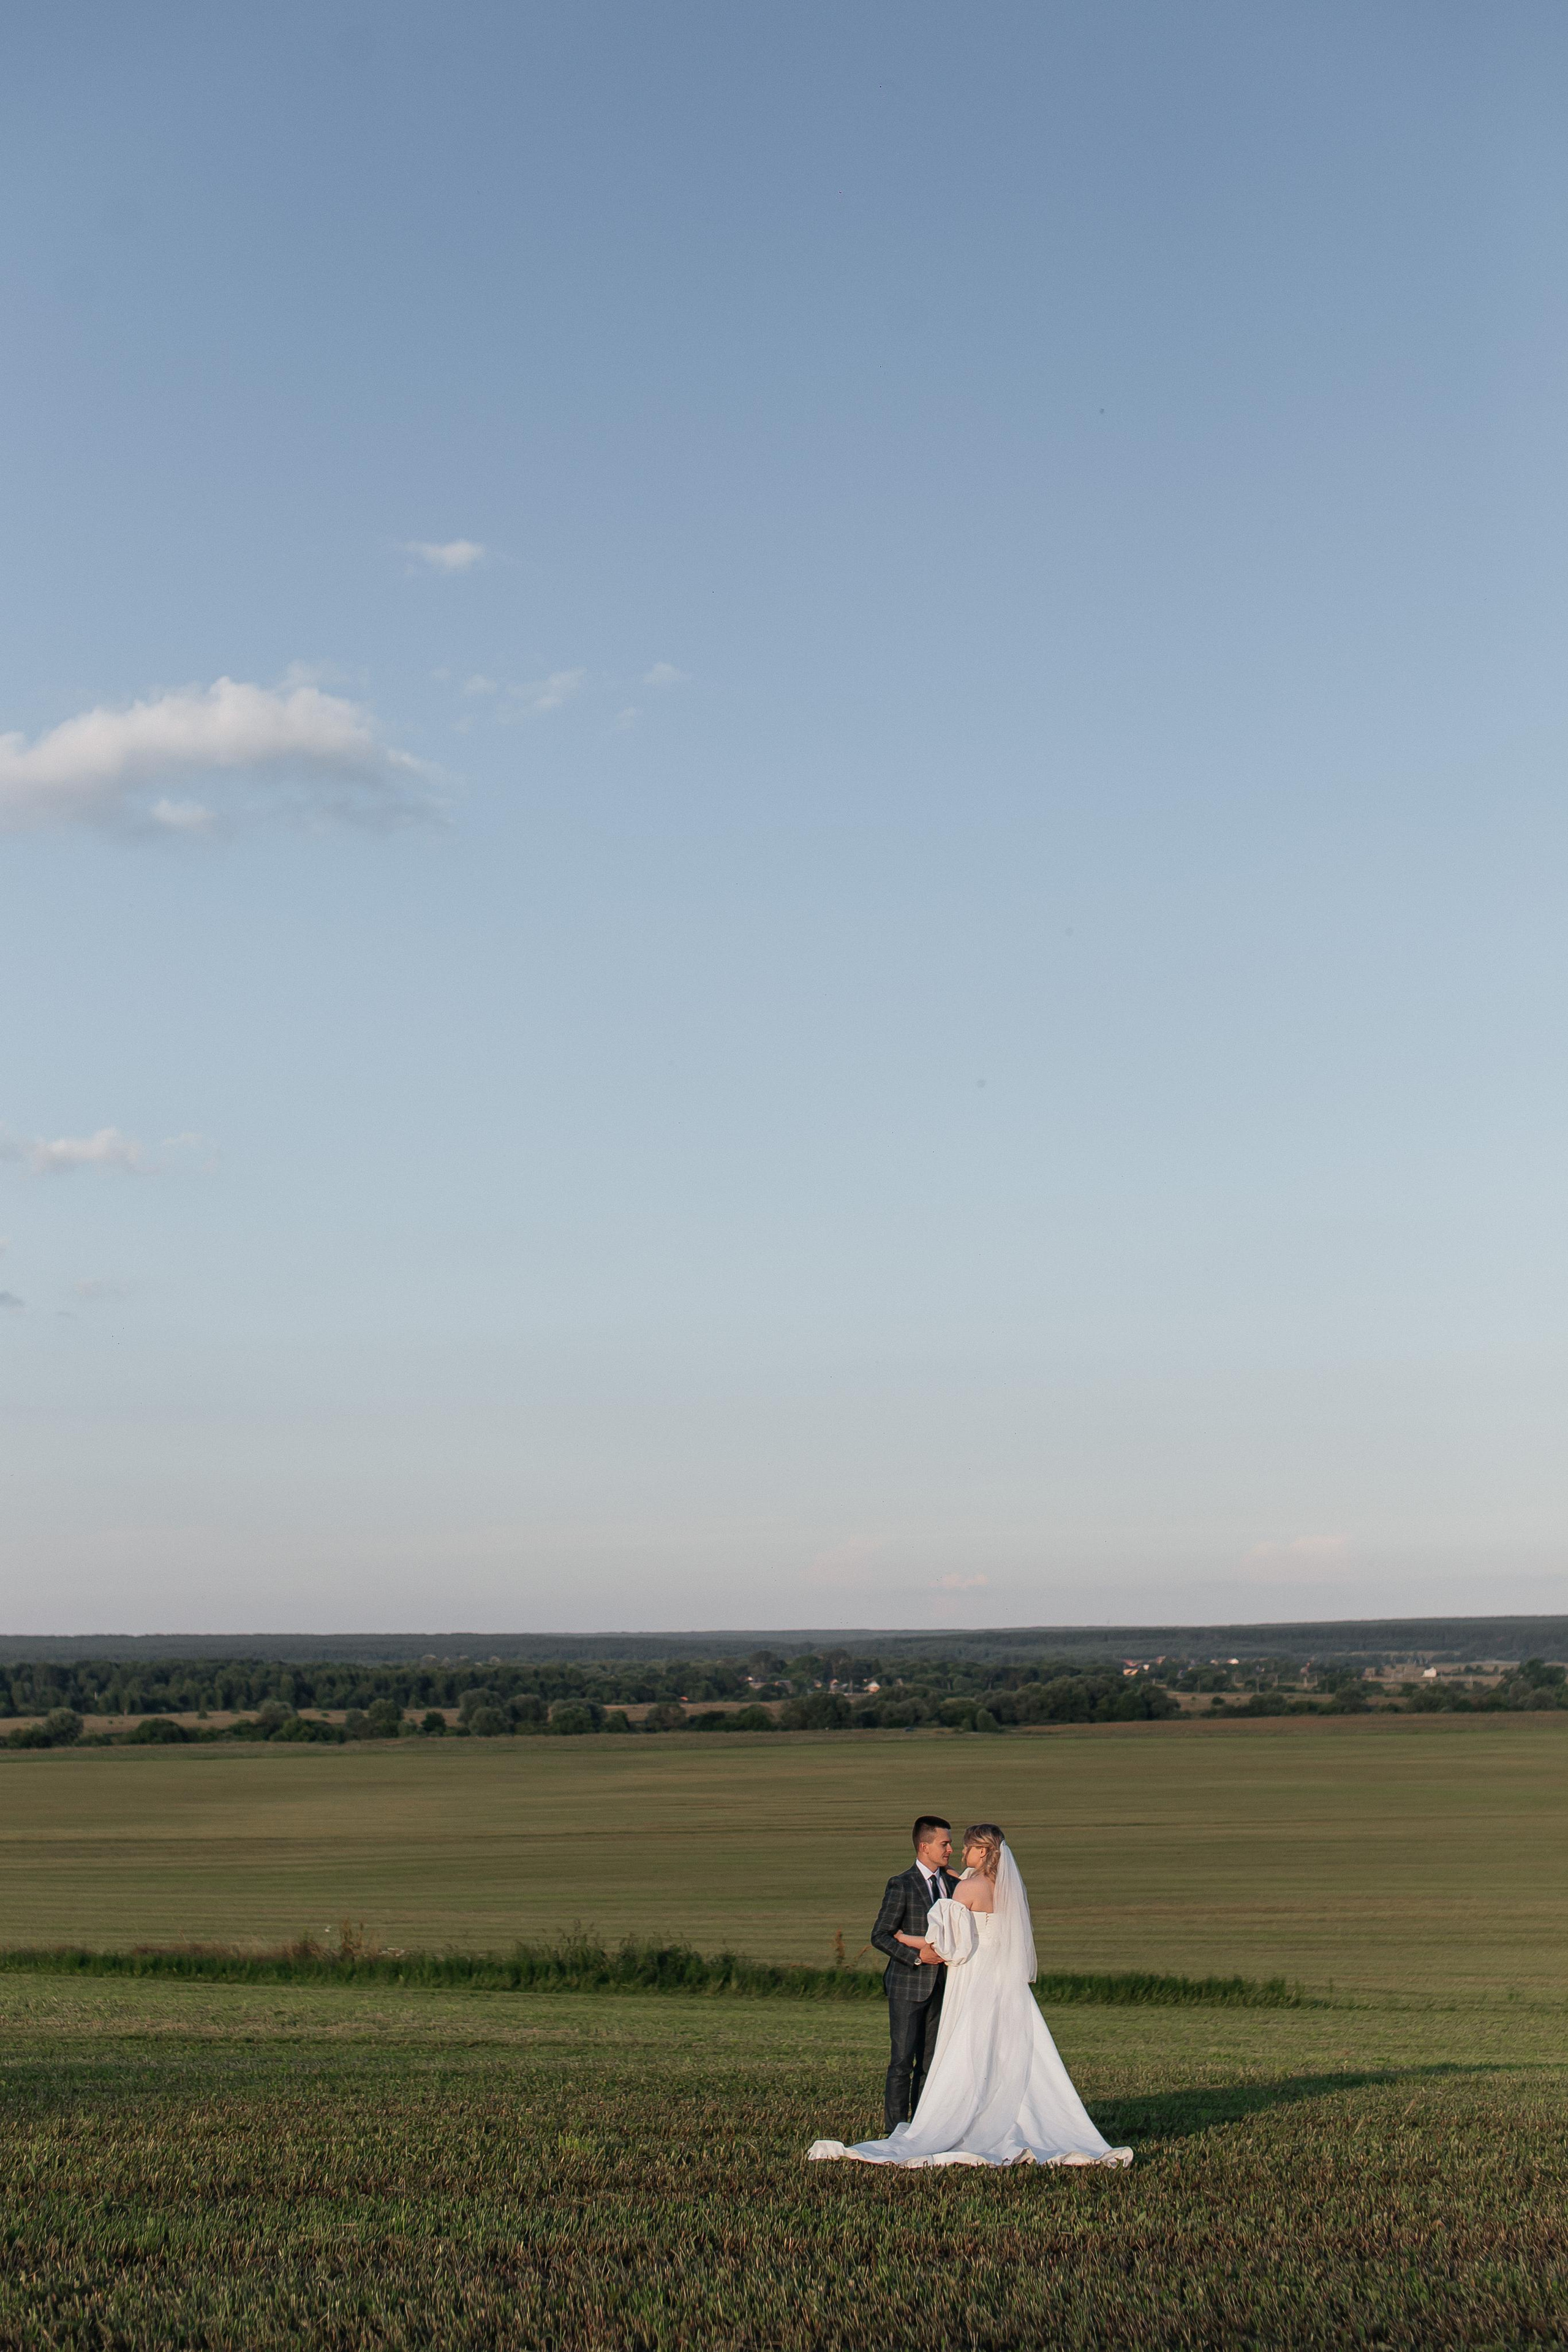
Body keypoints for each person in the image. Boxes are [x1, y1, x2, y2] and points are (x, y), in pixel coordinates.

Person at [810, 1822, 1133, 2168]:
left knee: (963, 2048)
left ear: (982, 1851)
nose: (959, 1852)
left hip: (974, 1977)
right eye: (951, 1845)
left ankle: (945, 2120)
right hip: (1003, 1979)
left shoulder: (966, 1888)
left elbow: (948, 1944)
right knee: (1005, 2049)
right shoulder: (1004, 1888)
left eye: (965, 1847)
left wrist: (906, 1939)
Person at [869, 1815, 956, 2133]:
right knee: (902, 2062)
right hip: (907, 1986)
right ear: (924, 1846)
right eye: (944, 1844)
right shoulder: (901, 1884)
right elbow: (880, 1935)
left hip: (943, 1987)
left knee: (931, 2064)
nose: (950, 1849)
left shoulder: (953, 1885)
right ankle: (895, 2131)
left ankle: (921, 2129)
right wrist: (918, 1957)